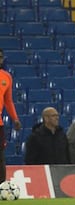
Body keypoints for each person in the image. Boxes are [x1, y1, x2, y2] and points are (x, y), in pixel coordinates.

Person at [0, 48, 22, 183]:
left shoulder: (6, 77)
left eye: (1, 57)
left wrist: (15, 118)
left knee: (1, 157)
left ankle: (1, 186)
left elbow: (8, 101)